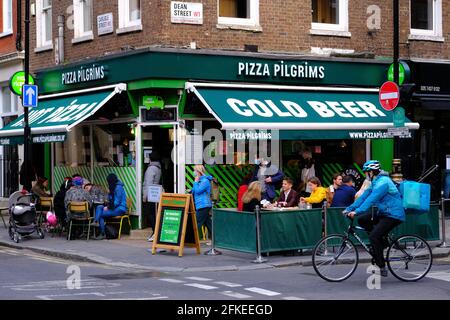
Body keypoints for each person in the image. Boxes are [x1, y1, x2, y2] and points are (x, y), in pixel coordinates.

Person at [344, 160, 405, 277]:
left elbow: (371, 199)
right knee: (362, 220)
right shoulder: (375, 181)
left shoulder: (384, 182)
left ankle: (381, 265)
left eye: (367, 172)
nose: (366, 174)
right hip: (384, 212)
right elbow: (364, 197)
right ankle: (381, 243)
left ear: (372, 172)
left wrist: (357, 211)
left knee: (373, 236)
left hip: (394, 214)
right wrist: (349, 208)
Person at [93, 173, 128, 240]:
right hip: (114, 207)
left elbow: (117, 202)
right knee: (99, 207)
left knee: (101, 215)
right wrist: (108, 196)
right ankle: (96, 221)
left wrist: (108, 207)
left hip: (120, 209)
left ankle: (102, 232)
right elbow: (110, 199)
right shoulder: (113, 187)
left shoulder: (118, 188)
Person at [143, 152, 162, 242]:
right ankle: (155, 232)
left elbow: (148, 183)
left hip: (151, 194)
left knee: (150, 214)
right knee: (155, 214)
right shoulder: (158, 168)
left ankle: (155, 232)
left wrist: (145, 196)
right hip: (156, 193)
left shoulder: (151, 169)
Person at [191, 165, 213, 239]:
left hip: (204, 205)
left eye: (195, 170)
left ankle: (192, 239)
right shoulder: (199, 181)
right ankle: (217, 238)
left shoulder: (205, 181)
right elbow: (193, 191)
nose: (193, 172)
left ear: (199, 172)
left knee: (197, 222)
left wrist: (195, 182)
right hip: (201, 204)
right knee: (208, 223)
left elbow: (198, 191)